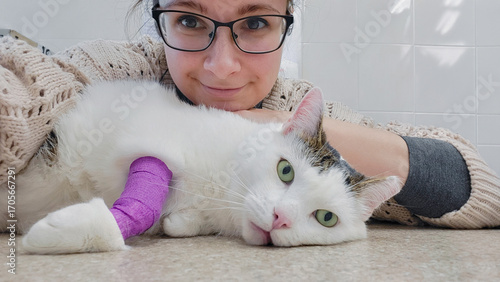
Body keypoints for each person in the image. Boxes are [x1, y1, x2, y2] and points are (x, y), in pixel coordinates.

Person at [1, 0, 499, 240]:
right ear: (160, 19)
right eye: (191, 21)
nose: (222, 66)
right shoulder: (123, 68)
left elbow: (472, 185)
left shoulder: (298, 106)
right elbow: (22, 85)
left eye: (255, 23)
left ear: (287, 25)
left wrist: (280, 124)